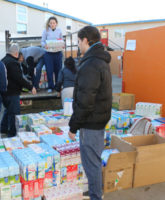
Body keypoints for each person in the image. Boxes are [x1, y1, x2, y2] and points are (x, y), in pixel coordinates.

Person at [68, 26, 112, 200]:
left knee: (91, 164)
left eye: (78, 41)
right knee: (93, 162)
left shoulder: (91, 64)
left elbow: (85, 101)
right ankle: (96, 192)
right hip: (97, 120)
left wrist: (73, 126)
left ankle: (96, 196)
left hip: (90, 123)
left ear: (85, 40)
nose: (78, 45)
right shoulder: (100, 60)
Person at [1, 44, 36, 137]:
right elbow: (18, 78)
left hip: (4, 91)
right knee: (14, 114)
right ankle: (12, 134)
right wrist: (30, 87)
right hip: (12, 92)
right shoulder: (13, 62)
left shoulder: (3, 60)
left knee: (8, 110)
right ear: (16, 53)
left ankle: (3, 128)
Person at [41, 16, 63, 93]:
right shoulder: (45, 31)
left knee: (58, 70)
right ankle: (50, 87)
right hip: (48, 54)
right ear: (49, 24)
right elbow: (42, 42)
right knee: (49, 70)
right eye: (51, 23)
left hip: (58, 53)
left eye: (54, 23)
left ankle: (58, 87)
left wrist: (62, 44)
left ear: (56, 23)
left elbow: (62, 40)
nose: (52, 24)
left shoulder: (59, 30)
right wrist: (45, 45)